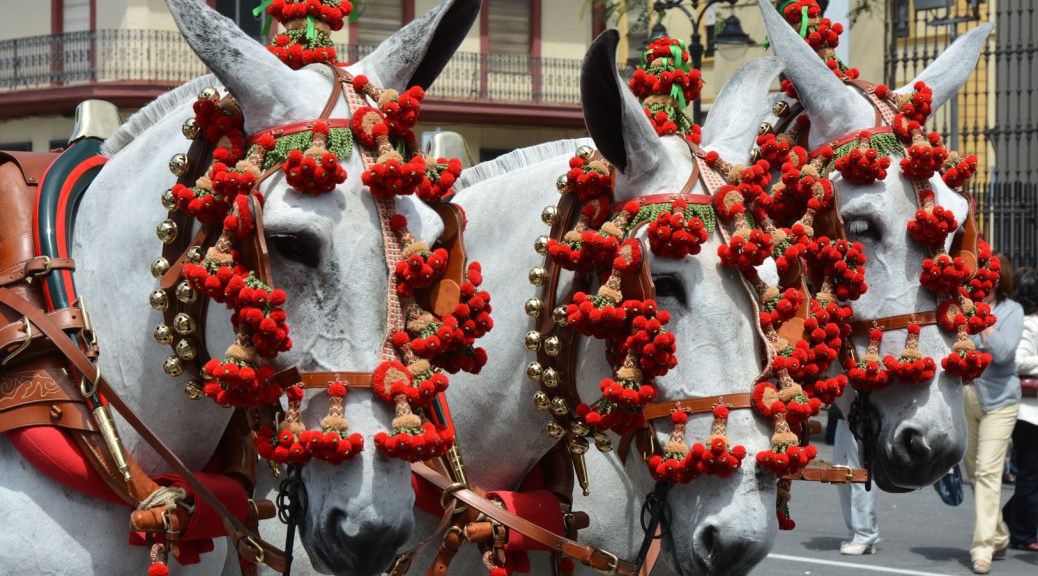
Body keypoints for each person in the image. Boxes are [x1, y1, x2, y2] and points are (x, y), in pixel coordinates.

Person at [965, 253, 1024, 574]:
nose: (981, 283)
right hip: (968, 396)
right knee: (974, 472)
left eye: (987, 277)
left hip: (1001, 401)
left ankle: (982, 547)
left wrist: (983, 322)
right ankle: (998, 534)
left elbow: (1002, 354)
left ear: (999, 282)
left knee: (988, 472)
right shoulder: (963, 306)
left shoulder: (1011, 311)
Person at [1004, 269, 1038, 552]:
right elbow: (1019, 362)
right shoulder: (1028, 324)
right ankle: (1023, 533)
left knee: (1031, 473)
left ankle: (1012, 518)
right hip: (1028, 413)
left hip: (1030, 411)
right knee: (1030, 473)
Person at [833, 416, 879, 554]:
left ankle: (865, 535)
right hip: (843, 414)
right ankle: (856, 533)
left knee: (859, 473)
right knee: (839, 473)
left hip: (861, 413)